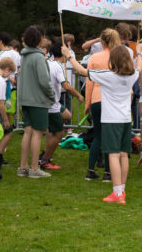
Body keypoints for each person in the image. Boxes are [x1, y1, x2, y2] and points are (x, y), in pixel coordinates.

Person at [65, 44, 140, 204]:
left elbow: (82, 71)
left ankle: (117, 193)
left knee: (113, 154)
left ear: (113, 60)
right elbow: (139, 67)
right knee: (123, 154)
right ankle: (121, 191)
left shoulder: (108, 75)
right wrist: (139, 53)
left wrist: (69, 56)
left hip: (111, 120)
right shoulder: (132, 75)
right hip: (126, 120)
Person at [15, 26, 55, 179]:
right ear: (39, 39)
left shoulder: (24, 56)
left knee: (28, 132)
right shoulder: (38, 57)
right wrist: (51, 95)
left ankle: (23, 167)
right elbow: (44, 81)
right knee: (37, 134)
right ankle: (34, 168)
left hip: (26, 99)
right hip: (37, 100)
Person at [82, 29, 120, 181]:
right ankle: (108, 173)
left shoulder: (94, 57)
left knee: (98, 136)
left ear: (102, 41)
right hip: (113, 100)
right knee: (110, 137)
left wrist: (87, 104)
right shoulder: (120, 57)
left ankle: (90, 170)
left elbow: (89, 82)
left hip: (97, 99)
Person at [40, 40, 83, 169]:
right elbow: (66, 86)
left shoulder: (48, 63)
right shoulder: (57, 66)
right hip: (51, 105)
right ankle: (45, 160)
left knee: (67, 116)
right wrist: (78, 95)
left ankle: (46, 151)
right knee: (59, 133)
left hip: (51, 102)